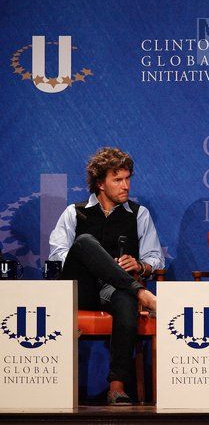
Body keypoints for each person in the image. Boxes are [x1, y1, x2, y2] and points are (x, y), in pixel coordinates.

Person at [49, 147, 163, 406]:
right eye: (117, 180)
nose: (126, 186)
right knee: (85, 242)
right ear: (100, 183)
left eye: (128, 178)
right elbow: (58, 256)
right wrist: (97, 262)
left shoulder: (138, 214)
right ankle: (142, 293)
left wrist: (140, 265)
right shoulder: (74, 212)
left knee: (126, 300)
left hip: (116, 289)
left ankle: (116, 386)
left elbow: (156, 259)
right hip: (81, 288)